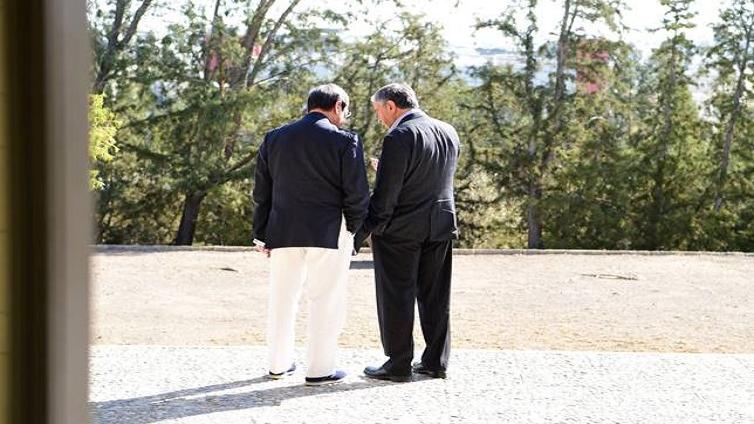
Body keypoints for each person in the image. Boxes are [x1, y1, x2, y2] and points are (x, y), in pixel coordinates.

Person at [252, 83, 369, 386]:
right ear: (338, 105)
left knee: (282, 298)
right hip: (329, 230)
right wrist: (354, 231)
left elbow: (262, 192)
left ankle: (277, 364)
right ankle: (320, 369)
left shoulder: (274, 137)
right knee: (325, 299)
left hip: (282, 229)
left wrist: (261, 234)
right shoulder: (346, 141)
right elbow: (357, 195)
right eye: (346, 110)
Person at [355, 83, 460, 382]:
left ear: (391, 106)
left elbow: (386, 197)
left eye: (378, 110)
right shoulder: (448, 131)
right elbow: (429, 177)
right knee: (436, 296)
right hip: (440, 224)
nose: (379, 118)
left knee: (396, 296)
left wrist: (362, 232)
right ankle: (435, 362)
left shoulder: (399, 136)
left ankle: (398, 363)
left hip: (400, 229)